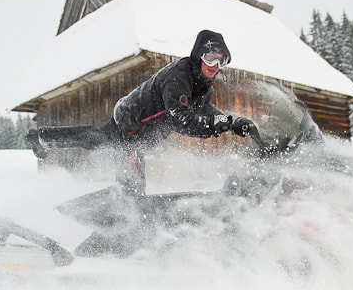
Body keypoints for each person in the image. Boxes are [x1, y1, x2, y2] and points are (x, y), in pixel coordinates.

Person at [101, 29, 254, 194]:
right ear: (198, 56)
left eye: (220, 61)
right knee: (132, 185)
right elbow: (180, 119)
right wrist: (213, 124)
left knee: (106, 148)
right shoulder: (179, 77)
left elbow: (203, 110)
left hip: (146, 130)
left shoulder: (203, 84)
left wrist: (230, 122)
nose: (215, 66)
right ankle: (122, 211)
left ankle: (123, 200)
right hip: (130, 122)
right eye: (210, 59)